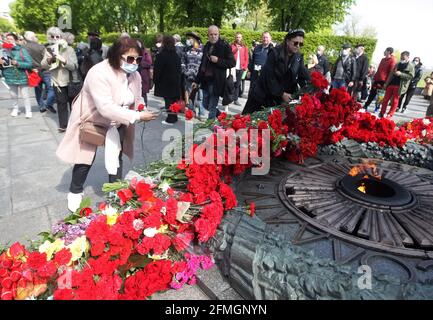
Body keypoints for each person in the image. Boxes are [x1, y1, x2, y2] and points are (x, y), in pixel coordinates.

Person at [56, 36, 158, 212]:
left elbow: (138, 96)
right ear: (116, 56)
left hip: (118, 120)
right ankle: (75, 191)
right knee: (85, 158)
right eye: (130, 59)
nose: (134, 63)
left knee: (115, 155)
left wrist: (141, 107)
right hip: (93, 119)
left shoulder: (134, 75)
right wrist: (137, 116)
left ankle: (115, 191)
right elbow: (105, 107)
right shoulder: (99, 72)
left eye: (138, 59)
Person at [242, 29, 310, 115]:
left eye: (301, 44)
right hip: (261, 96)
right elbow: (268, 77)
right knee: (250, 125)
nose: (298, 46)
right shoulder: (275, 53)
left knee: (270, 127)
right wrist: (282, 93)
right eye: (296, 43)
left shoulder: (298, 57)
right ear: (287, 41)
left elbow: (303, 75)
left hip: (277, 100)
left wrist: (312, 86)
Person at [193, 25, 235, 120]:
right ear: (208, 35)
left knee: (212, 105)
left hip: (216, 81)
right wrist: (197, 80)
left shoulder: (224, 46)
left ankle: (210, 123)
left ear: (218, 34)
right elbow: (202, 64)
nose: (213, 36)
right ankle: (221, 116)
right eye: (211, 34)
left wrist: (218, 60)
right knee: (205, 104)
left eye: (215, 34)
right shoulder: (207, 45)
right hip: (205, 81)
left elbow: (232, 62)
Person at [41, 27, 78, 132]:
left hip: (70, 81)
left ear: (62, 37)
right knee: (61, 104)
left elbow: (75, 66)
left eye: (58, 36)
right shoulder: (48, 49)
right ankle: (63, 125)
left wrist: (64, 61)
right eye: (53, 36)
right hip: (57, 81)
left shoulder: (69, 49)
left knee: (73, 104)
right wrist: (50, 60)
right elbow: (43, 64)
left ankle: (75, 124)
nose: (55, 38)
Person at [0, 33, 33, 118]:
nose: (8, 40)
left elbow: (29, 64)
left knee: (25, 95)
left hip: (21, 76)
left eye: (10, 39)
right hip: (9, 76)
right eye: (7, 39)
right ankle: (15, 109)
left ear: (16, 40)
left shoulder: (21, 50)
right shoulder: (2, 51)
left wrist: (18, 63)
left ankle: (28, 111)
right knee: (13, 95)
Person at [23, 31, 56, 114]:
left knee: (38, 90)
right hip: (45, 70)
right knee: (51, 88)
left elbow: (23, 60)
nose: (36, 38)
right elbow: (48, 58)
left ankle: (42, 106)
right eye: (36, 36)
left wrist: (31, 69)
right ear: (33, 38)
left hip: (33, 71)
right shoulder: (41, 47)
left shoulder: (23, 48)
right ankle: (49, 103)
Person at [154, 35, 182, 125]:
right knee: (174, 100)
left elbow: (157, 70)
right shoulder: (176, 55)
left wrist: (155, 80)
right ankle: (174, 116)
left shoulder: (161, 55)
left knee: (168, 100)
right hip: (175, 81)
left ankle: (170, 119)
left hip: (165, 82)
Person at [379, 51, 414, 118]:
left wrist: (401, 74)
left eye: (403, 56)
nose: (401, 57)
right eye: (401, 56)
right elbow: (391, 74)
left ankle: (390, 114)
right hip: (391, 84)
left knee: (395, 101)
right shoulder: (397, 64)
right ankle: (382, 112)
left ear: (408, 57)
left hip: (399, 86)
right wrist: (386, 84)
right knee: (385, 99)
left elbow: (411, 76)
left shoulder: (410, 66)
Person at [183, 31, 206, 119]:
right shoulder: (186, 49)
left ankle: (202, 114)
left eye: (190, 39)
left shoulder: (203, 49)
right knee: (190, 95)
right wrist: (185, 71)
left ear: (195, 39)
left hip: (200, 77)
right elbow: (183, 61)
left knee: (200, 96)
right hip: (189, 76)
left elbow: (205, 63)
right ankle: (191, 112)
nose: (188, 40)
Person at [230, 32, 249, 106]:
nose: (238, 38)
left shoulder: (245, 47)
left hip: (241, 68)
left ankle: (236, 99)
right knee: (231, 84)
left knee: (238, 84)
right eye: (237, 37)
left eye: (240, 37)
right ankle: (230, 98)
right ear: (235, 38)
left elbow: (246, 58)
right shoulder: (232, 46)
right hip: (233, 68)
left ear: (242, 38)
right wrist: (236, 49)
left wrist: (245, 67)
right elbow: (230, 54)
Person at [137, 39, 153, 106]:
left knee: (143, 94)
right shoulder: (133, 51)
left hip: (143, 75)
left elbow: (149, 63)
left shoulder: (145, 52)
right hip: (135, 76)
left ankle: (144, 107)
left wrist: (140, 62)